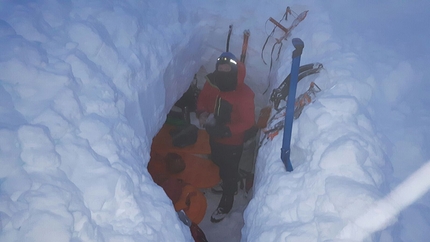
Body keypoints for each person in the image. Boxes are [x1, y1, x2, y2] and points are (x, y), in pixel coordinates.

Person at [196, 52, 255, 223]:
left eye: (226, 68)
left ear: (234, 69)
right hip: (214, 134)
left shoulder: (244, 93)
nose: (222, 71)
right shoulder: (213, 82)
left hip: (232, 141)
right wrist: (202, 113)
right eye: (220, 68)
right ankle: (223, 182)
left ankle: (227, 201)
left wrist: (227, 131)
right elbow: (203, 99)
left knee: (229, 171)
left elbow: (248, 121)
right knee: (216, 159)